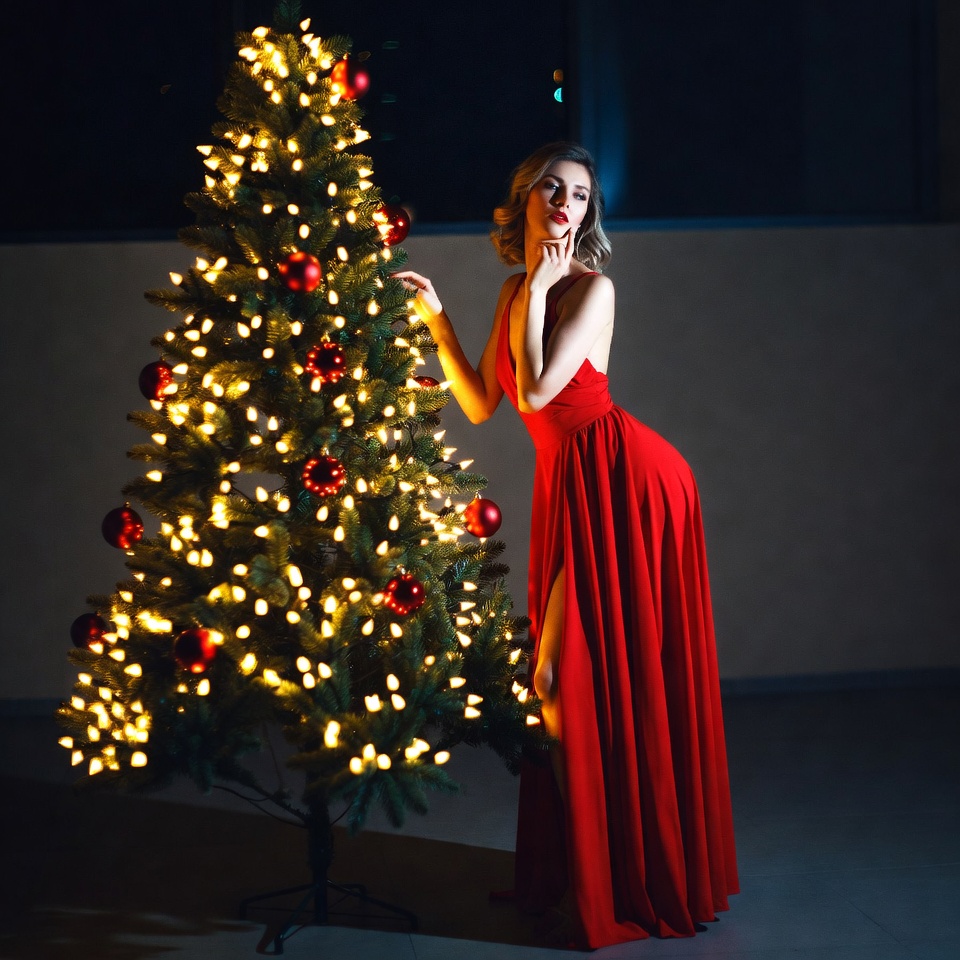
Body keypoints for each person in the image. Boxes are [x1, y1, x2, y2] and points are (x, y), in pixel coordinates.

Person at [394, 142, 738, 950]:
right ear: (524, 203)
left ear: (588, 215)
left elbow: (545, 388)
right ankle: (585, 874)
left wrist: (545, 287)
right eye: (552, 188)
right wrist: (436, 317)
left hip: (626, 483)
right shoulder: (519, 288)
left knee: (561, 675)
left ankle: (626, 881)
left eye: (580, 195)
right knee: (554, 681)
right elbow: (483, 402)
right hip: (569, 489)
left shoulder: (590, 288)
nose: (565, 203)